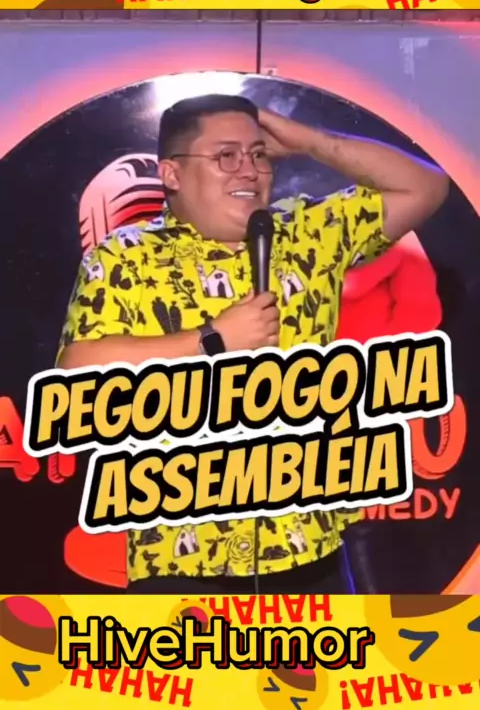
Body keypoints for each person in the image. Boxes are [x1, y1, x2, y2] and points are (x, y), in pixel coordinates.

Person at [57, 93, 449, 595]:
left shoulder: (306, 233)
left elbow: (426, 186)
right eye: (225, 156)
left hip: (307, 552)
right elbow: (77, 372)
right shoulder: (124, 257)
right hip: (181, 561)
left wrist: (309, 140)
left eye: (258, 154)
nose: (249, 169)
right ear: (172, 173)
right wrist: (210, 340)